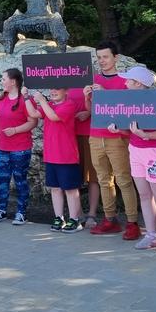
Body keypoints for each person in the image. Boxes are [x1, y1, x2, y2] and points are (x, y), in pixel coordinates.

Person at [111, 65, 156, 255]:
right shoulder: (130, 104)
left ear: (138, 84)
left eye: (128, 80)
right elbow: (131, 130)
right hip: (136, 151)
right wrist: (120, 130)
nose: (125, 83)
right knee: (145, 195)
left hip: (155, 154)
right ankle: (151, 235)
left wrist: (145, 135)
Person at [83, 41, 141, 240]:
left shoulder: (125, 81)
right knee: (103, 180)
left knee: (124, 180)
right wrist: (87, 97)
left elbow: (129, 109)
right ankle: (110, 219)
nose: (102, 61)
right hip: (95, 136)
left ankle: (132, 222)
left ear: (116, 58)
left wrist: (106, 94)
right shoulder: (94, 79)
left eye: (106, 57)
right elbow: (92, 113)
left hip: (117, 138)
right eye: (99, 58)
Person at [28, 87, 84, 233]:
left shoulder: (69, 105)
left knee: (70, 189)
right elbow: (33, 113)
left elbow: (53, 117)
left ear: (66, 91)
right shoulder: (50, 105)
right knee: (55, 188)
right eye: (51, 89)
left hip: (66, 155)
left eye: (57, 89)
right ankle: (59, 217)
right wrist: (26, 97)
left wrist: (41, 100)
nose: (53, 91)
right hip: (51, 155)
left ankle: (75, 219)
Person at [0, 68, 37, 225]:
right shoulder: (1, 99)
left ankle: (22, 212)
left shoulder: (25, 99)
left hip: (20, 148)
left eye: (3, 79)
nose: (1, 81)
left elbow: (33, 122)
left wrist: (15, 130)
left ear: (13, 81)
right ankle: (1, 210)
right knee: (2, 180)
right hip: (2, 147)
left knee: (20, 180)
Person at [67, 86, 99, 228]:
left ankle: (92, 214)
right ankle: (77, 212)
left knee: (94, 176)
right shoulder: (65, 83)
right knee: (74, 175)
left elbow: (102, 107)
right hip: (70, 134)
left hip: (90, 134)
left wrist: (89, 113)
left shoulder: (92, 82)